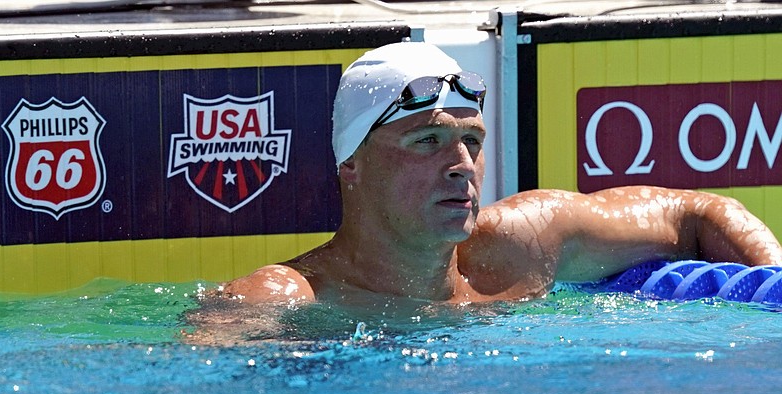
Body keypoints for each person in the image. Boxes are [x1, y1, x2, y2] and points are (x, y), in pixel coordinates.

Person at [222, 41, 782, 306]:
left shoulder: (522, 246)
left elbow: (698, 212)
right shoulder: (284, 301)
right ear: (352, 163)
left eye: (472, 141)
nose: (460, 165)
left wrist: (773, 286)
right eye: (428, 142)